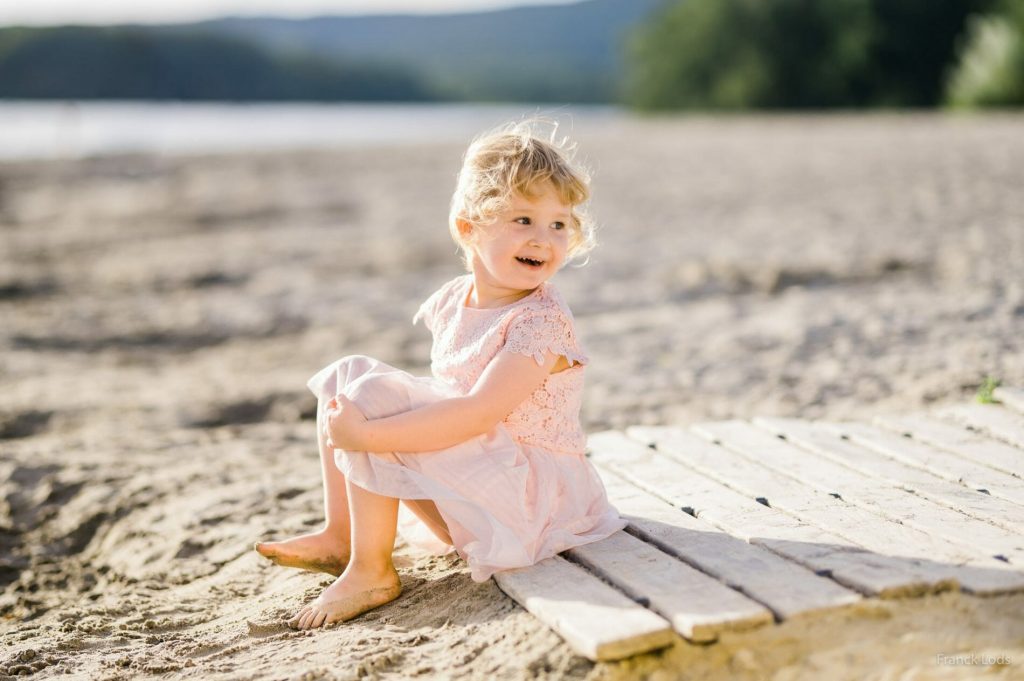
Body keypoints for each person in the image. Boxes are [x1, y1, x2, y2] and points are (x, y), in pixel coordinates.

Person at [255, 119, 626, 630]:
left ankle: (371, 570)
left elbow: (477, 414)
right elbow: (447, 400)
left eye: (558, 224)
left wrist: (365, 435)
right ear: (469, 228)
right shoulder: (455, 298)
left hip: (531, 505)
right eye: (522, 220)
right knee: (350, 375)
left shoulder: (541, 323)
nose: (543, 239)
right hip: (482, 475)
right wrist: (365, 426)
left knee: (374, 398)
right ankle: (342, 535)